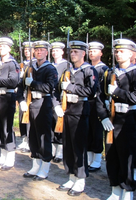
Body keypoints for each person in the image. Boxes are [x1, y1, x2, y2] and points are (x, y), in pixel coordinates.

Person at [56, 41, 97, 196]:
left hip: (80, 112)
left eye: (76, 52)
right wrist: (58, 105)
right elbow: (58, 89)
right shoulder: (68, 70)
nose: (73, 54)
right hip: (67, 111)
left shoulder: (88, 70)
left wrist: (71, 87)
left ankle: (80, 180)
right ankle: (71, 176)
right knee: (68, 146)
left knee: (79, 146)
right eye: (71, 52)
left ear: (83, 54)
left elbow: (91, 91)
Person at [97, 38, 136, 200]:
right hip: (112, 120)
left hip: (130, 120)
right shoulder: (110, 73)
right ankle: (115, 190)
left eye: (122, 51)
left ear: (132, 54)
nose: (118, 54)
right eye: (116, 51)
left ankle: (128, 191)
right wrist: (103, 116)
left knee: (128, 157)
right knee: (111, 155)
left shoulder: (134, 73)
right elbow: (99, 97)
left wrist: (117, 91)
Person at [18, 41, 58, 180]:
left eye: (42, 50)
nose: (39, 52)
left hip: (43, 104)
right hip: (30, 104)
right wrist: (21, 100)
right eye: (37, 50)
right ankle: (35, 165)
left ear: (47, 52)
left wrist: (33, 84)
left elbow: (50, 88)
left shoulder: (50, 69)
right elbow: (20, 86)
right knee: (32, 135)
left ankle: (45, 167)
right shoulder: (30, 68)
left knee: (43, 136)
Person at [0, 36, 19, 171]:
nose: (1, 49)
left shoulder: (12, 64)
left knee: (7, 128)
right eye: (0, 47)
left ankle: (10, 158)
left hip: (8, 98)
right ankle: (2, 155)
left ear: (9, 48)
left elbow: (13, 81)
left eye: (4, 47)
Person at [87, 41, 108, 172]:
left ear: (100, 53)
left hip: (97, 104)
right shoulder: (87, 67)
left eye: (94, 51)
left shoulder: (104, 69)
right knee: (88, 131)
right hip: (87, 103)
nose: (91, 53)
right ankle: (89, 157)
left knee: (97, 131)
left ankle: (97, 159)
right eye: (90, 51)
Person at [17, 41, 36, 153]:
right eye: (25, 49)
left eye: (29, 49)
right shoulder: (22, 64)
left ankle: (30, 140)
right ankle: (24, 138)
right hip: (23, 93)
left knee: (30, 118)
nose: (26, 51)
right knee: (21, 117)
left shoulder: (34, 63)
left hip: (31, 93)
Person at [50, 42, 68, 163]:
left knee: (60, 125)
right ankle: (53, 150)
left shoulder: (67, 65)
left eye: (57, 50)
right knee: (51, 125)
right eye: (53, 51)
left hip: (60, 99)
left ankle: (60, 152)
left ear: (62, 52)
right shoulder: (49, 65)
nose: (54, 52)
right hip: (49, 98)